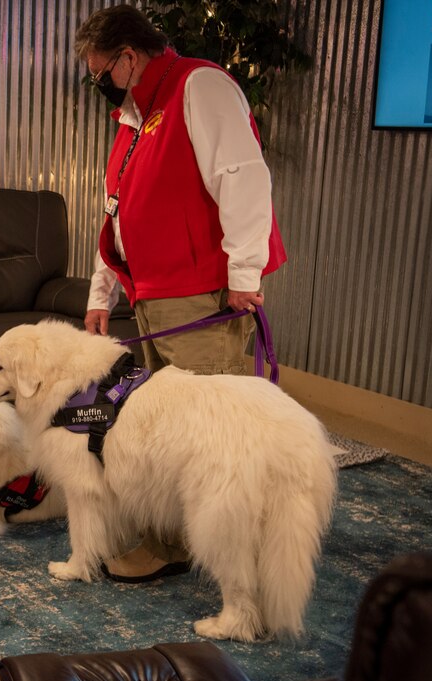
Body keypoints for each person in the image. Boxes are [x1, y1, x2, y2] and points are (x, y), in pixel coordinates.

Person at [76, 5, 287, 582]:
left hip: (200, 295)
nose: (97, 84)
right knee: (161, 429)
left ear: (128, 58)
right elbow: (116, 210)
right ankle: (171, 541)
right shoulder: (134, 115)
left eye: (99, 72)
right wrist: (103, 293)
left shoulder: (200, 85)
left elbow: (244, 178)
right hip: (149, 291)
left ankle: (240, 556)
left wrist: (245, 275)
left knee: (215, 433)